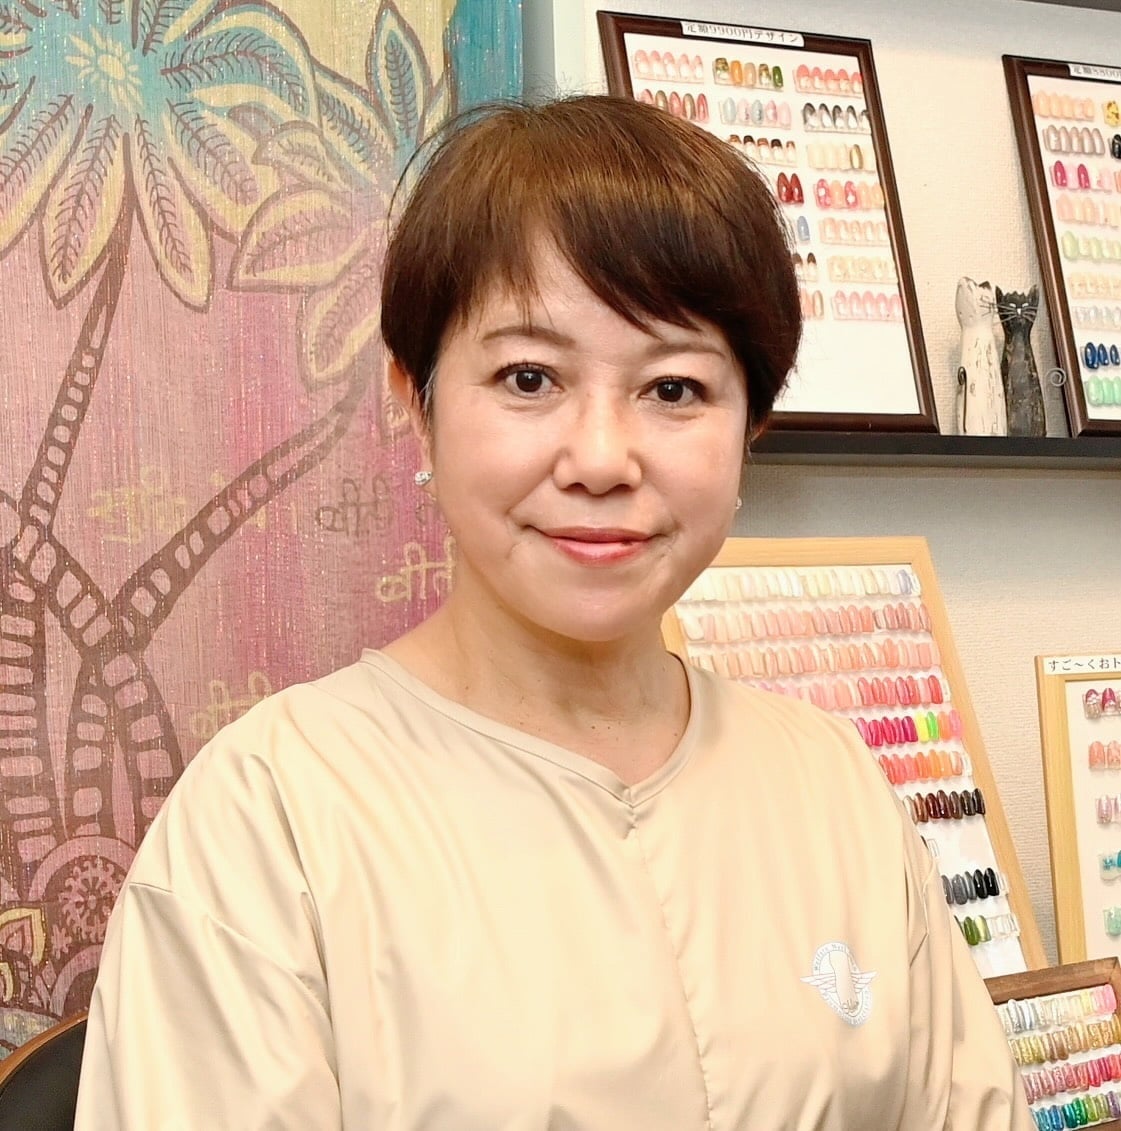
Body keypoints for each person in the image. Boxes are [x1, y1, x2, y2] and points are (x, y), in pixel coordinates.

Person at [74, 95, 1031, 1129]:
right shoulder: (269, 819)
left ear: (748, 425)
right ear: (415, 402)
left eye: (673, 389)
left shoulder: (830, 782)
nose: (601, 459)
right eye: (527, 378)